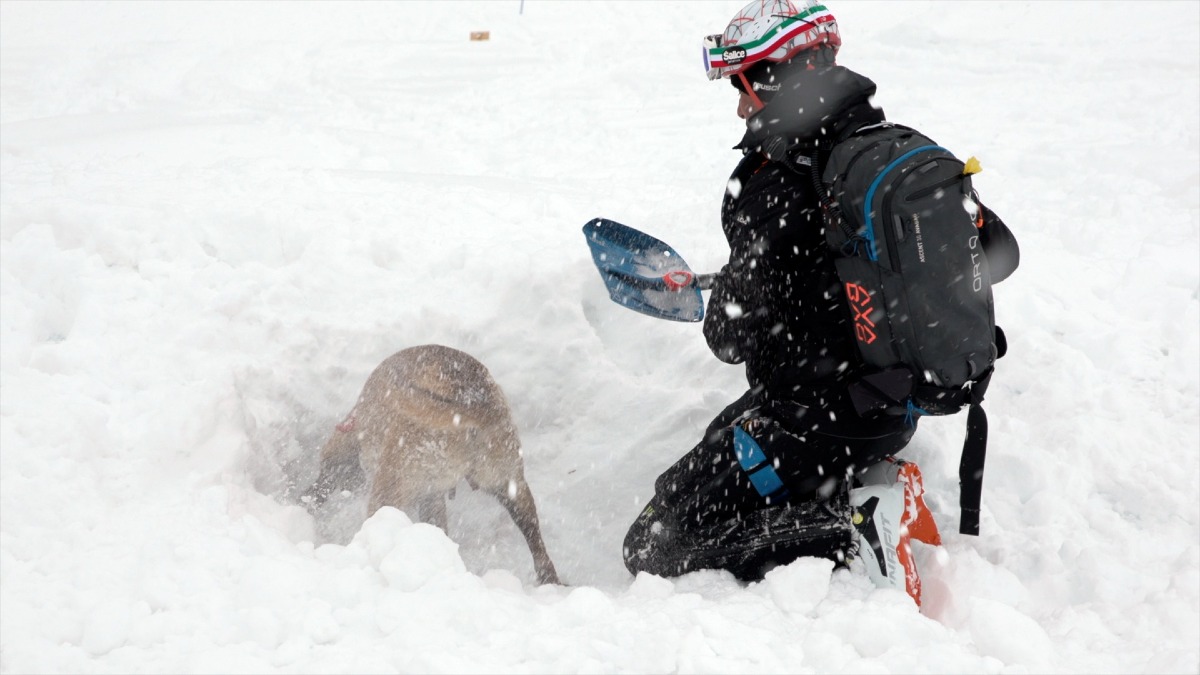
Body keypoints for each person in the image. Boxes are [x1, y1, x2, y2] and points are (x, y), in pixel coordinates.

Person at [622, 0, 1020, 595]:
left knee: (654, 543)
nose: (738, 104)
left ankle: (853, 529)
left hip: (817, 422)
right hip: (885, 404)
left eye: (744, 85)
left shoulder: (774, 183)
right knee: (697, 467)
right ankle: (858, 485)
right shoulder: (885, 149)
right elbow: (1000, 253)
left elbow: (729, 338)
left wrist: (747, 286)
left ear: (777, 77)